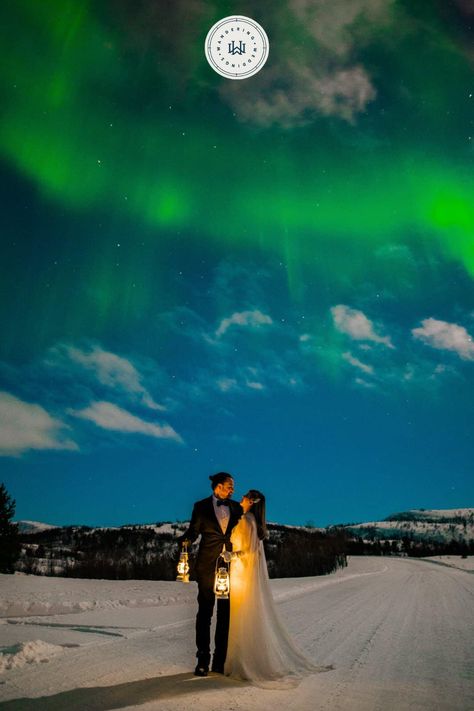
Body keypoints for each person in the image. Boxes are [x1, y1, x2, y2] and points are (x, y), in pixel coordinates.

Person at [224, 489, 321, 687]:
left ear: (251, 501)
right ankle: (245, 659)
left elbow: (248, 551)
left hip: (242, 573)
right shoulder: (255, 522)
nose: (241, 498)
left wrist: (231, 556)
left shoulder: (247, 520)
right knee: (247, 614)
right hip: (246, 573)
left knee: (242, 615)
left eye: (245, 496)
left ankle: (244, 662)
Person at [180, 472, 243, 677]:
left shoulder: (235, 508)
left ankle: (219, 660)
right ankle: (203, 659)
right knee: (205, 613)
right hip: (207, 566)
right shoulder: (201, 506)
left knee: (225, 616)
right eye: (228, 486)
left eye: (233, 486)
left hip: (229, 568)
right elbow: (193, 531)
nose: (232, 489)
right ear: (217, 487)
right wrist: (185, 541)